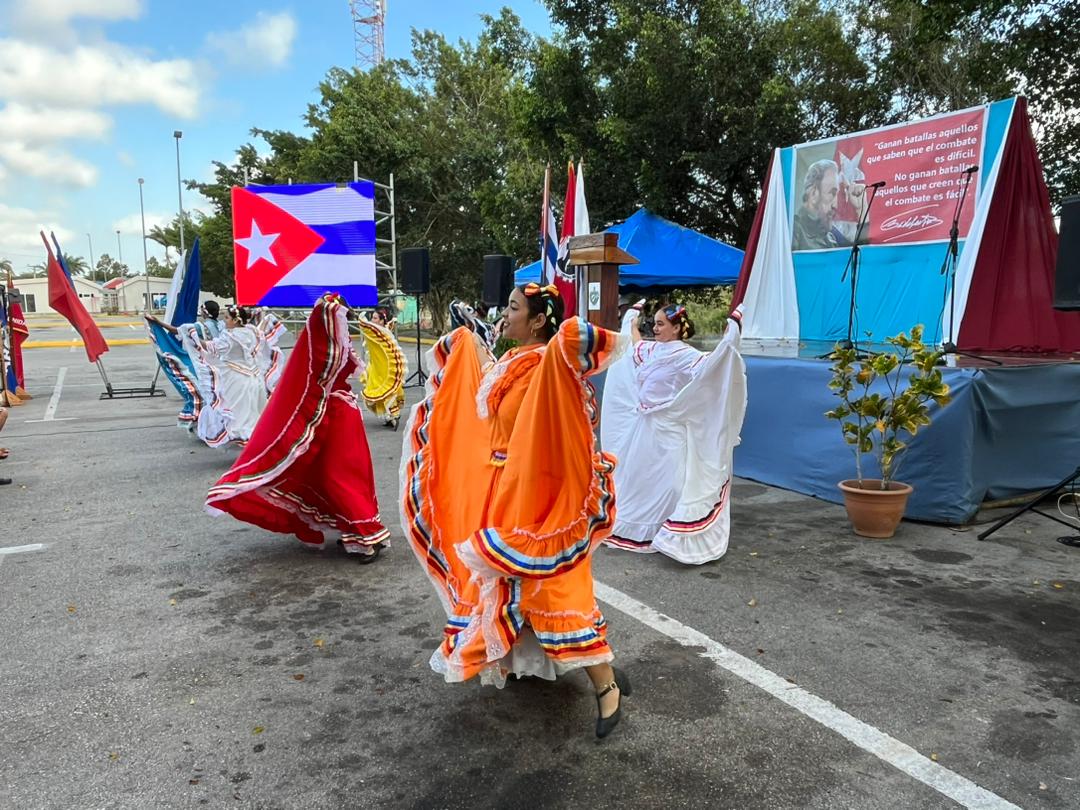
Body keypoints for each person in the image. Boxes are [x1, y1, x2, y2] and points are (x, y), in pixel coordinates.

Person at [401, 283, 631, 738]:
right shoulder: (511, 361)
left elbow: (560, 380)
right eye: (504, 306)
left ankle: (606, 684)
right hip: (500, 488)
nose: (503, 314)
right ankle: (559, 663)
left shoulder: (547, 365)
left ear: (539, 319)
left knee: (552, 589)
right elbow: (489, 402)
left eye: (512, 308)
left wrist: (567, 342)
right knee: (512, 587)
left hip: (532, 494)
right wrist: (467, 343)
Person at [207, 293, 389, 561]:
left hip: (338, 414)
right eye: (340, 317)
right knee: (336, 475)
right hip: (336, 412)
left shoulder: (328, 349)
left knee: (340, 476)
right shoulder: (328, 348)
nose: (343, 322)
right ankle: (359, 530)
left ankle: (366, 534)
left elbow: (322, 379)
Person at [600, 302, 747, 564]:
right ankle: (641, 527)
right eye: (654, 323)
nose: (654, 328)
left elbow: (714, 367)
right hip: (644, 427)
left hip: (668, 429)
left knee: (670, 482)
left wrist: (730, 337)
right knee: (640, 479)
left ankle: (667, 530)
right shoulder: (652, 348)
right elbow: (634, 343)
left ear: (677, 328)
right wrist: (631, 319)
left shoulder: (686, 355)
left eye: (660, 324)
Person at [188, 305, 270, 447]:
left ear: (235, 320)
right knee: (251, 411)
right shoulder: (252, 331)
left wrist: (193, 336)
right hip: (253, 377)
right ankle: (257, 440)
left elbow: (212, 347)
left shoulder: (230, 336)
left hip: (236, 378)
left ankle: (246, 441)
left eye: (226, 317)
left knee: (236, 412)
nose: (224, 320)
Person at [792, 159, 868, 250]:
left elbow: (858, 255)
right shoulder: (793, 230)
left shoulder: (831, 234)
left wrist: (861, 210)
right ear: (813, 194)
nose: (835, 205)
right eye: (832, 193)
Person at [358, 307, 407, 429]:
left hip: (384, 367)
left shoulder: (380, 333)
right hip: (377, 365)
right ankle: (390, 415)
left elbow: (365, 326)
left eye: (375, 318)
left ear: (381, 321)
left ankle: (394, 415)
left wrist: (361, 319)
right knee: (379, 386)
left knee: (385, 387)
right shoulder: (380, 331)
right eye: (372, 318)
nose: (372, 320)